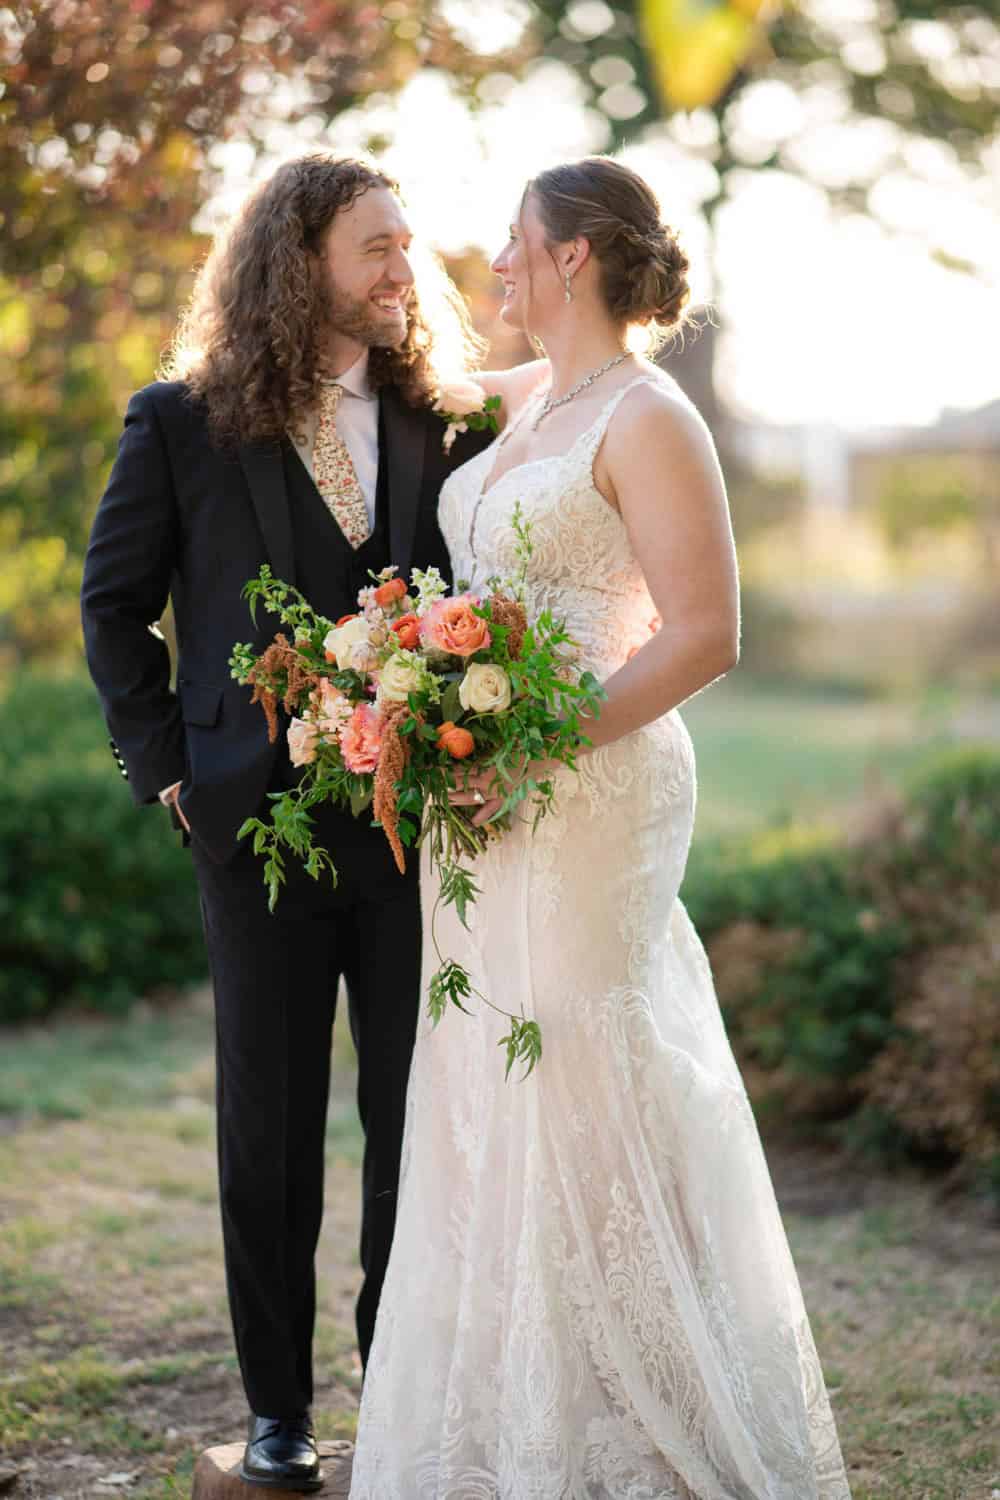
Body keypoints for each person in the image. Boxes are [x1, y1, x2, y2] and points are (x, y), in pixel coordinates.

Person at [349, 157, 852, 1499]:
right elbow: (399, 383)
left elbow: (707, 634)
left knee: (580, 1049)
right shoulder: (533, 401)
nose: (495, 270)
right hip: (477, 790)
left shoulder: (648, 416)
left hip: (593, 783)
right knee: (484, 1062)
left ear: (574, 257)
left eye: (514, 246)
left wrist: (538, 744)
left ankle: (645, 1407)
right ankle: (513, 1409)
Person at [80, 154, 493, 1494]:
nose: (400, 271)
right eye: (376, 247)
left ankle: (398, 1377)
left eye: (405, 248)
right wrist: (171, 772)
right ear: (298, 257)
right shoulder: (181, 421)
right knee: (267, 1128)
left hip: (412, 829)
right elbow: (112, 608)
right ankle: (275, 1410)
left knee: (409, 1114)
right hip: (250, 833)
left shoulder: (441, 417)